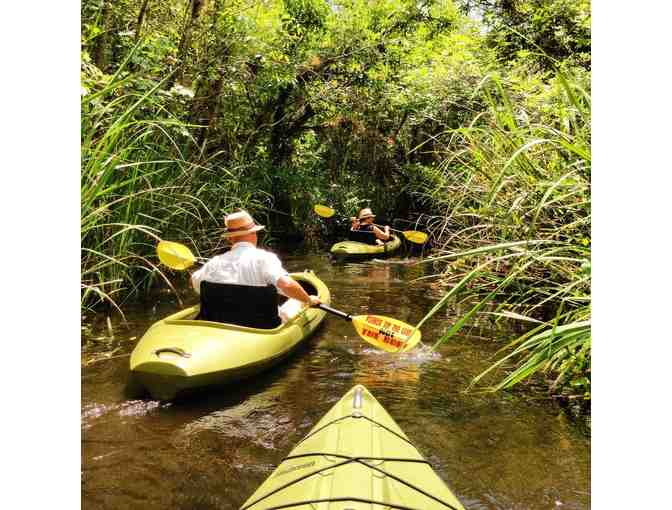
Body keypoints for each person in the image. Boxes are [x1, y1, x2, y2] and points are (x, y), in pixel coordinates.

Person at [190, 210, 320, 327]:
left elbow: (194, 282)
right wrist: (308, 300)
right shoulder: (265, 258)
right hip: (263, 326)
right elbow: (286, 285)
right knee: (297, 302)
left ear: (230, 238)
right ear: (253, 234)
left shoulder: (214, 262)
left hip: (223, 323)